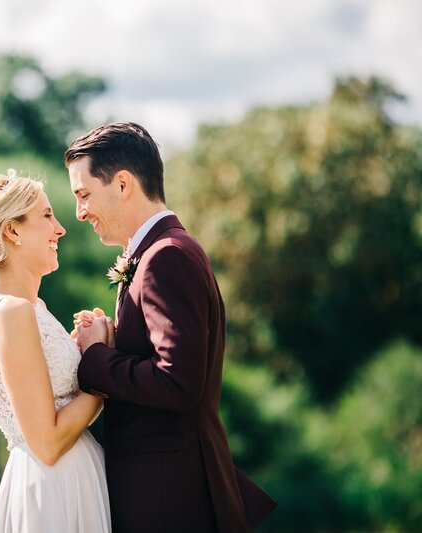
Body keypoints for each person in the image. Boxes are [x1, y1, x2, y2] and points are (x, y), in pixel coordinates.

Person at [66, 122, 277, 532]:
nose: (80, 212)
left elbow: (178, 382)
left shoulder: (166, 257)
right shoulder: (159, 253)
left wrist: (97, 358)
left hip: (168, 497)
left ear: (123, 184)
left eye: (84, 194)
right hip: (166, 488)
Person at [0, 170, 112, 532]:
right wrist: (102, 363)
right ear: (13, 230)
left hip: (68, 478)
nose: (60, 229)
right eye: (47, 215)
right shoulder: (11, 312)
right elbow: (48, 441)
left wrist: (82, 347)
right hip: (55, 487)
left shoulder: (28, 308)